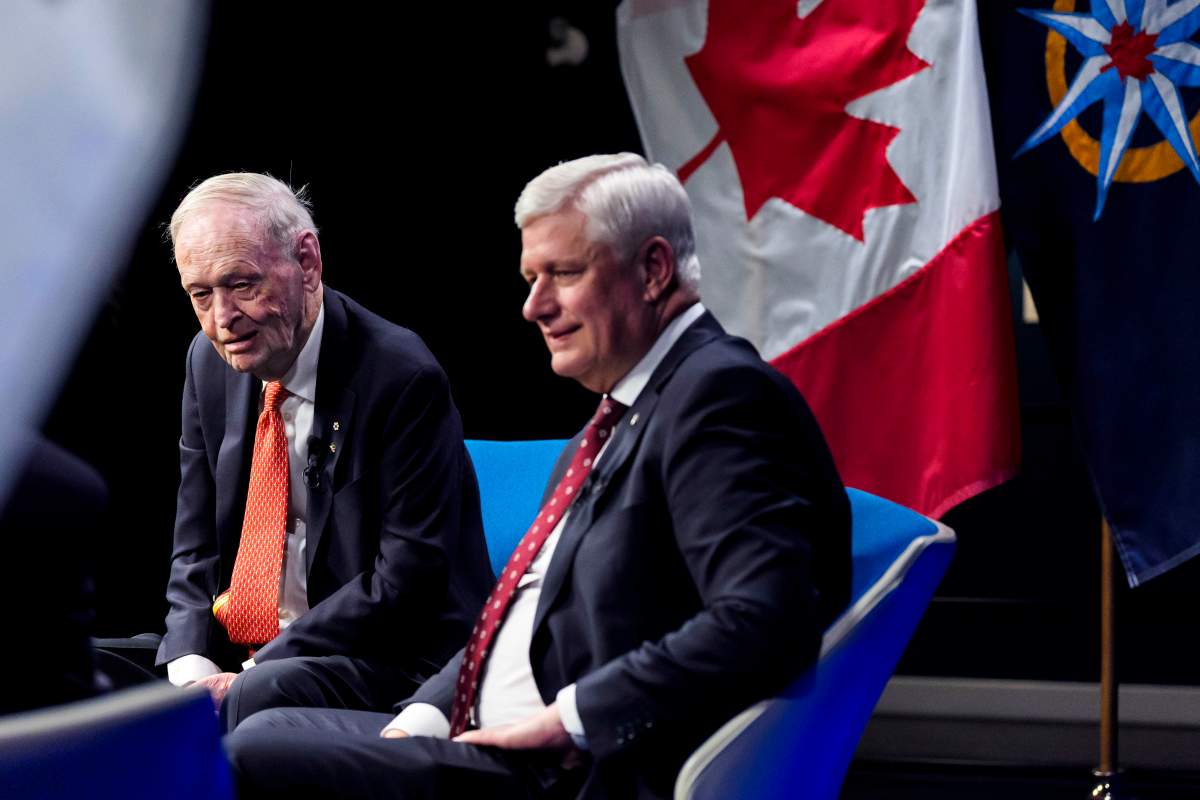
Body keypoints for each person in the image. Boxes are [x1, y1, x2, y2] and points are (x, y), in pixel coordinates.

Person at [225, 154, 851, 798]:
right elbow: (523, 603)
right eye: (530, 277)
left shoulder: (721, 397)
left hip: (568, 766)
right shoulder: (614, 421)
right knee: (255, 717)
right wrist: (428, 713)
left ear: (654, 269)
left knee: (250, 753)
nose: (534, 307)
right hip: (479, 732)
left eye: (565, 273)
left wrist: (573, 720)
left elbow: (766, 620)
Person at [156, 173, 493, 732]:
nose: (222, 318)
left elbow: (402, 585)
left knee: (256, 695)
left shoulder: (400, 377)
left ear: (307, 263)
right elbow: (194, 548)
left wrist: (256, 666)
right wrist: (192, 667)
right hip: (242, 654)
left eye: (242, 284)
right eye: (200, 294)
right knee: (83, 674)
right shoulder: (208, 361)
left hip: (382, 658)